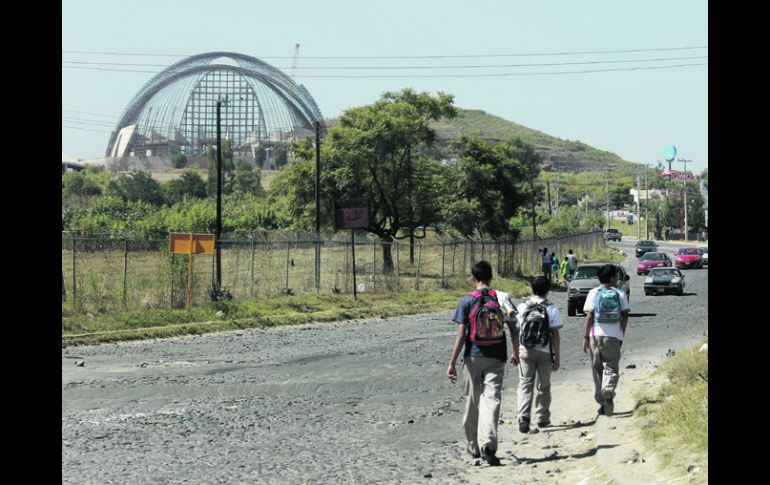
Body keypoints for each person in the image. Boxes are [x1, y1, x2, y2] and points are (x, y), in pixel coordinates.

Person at [447, 260, 517, 466]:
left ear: (474, 277)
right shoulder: (502, 297)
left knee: (472, 400)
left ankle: (473, 445)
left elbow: (461, 335)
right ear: (491, 276)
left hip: (473, 356)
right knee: (492, 399)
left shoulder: (466, 300)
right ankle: (488, 443)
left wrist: (451, 363)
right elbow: (514, 328)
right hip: (496, 356)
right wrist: (516, 352)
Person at [515, 276, 562, 433]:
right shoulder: (551, 308)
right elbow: (555, 333)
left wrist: (515, 351)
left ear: (532, 288)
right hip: (545, 351)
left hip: (525, 350)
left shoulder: (523, 307)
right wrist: (557, 356)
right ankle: (542, 417)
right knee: (544, 385)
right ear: (548, 290)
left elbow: (518, 330)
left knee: (525, 383)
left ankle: (523, 417)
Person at [581, 264, 630, 417]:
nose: (617, 278)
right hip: (613, 336)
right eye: (616, 275)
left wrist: (586, 337)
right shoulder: (620, 293)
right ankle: (608, 389)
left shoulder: (593, 293)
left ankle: (602, 402)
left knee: (597, 369)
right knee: (611, 367)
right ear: (611, 278)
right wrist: (621, 334)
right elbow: (625, 315)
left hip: (595, 335)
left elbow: (589, 316)